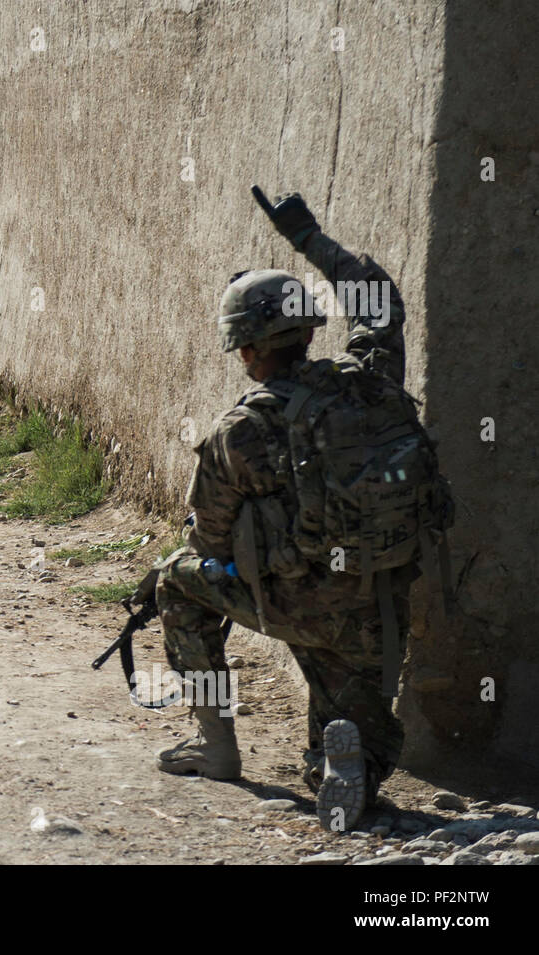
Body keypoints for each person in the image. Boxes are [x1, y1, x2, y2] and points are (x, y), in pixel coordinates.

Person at [150, 190, 450, 831]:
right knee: (349, 738)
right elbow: (377, 299)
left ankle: (216, 744)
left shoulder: (242, 430)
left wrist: (258, 563)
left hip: (288, 602)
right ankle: (345, 762)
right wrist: (307, 236)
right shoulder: (375, 380)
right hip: (380, 608)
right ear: (312, 331)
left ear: (247, 350)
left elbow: (209, 541)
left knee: (176, 580)